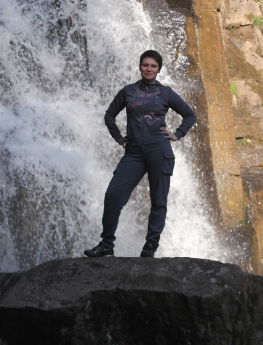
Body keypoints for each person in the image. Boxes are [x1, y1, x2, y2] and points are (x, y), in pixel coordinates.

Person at [84, 50, 196, 259]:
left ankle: (150, 247)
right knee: (113, 195)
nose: (148, 69)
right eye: (145, 65)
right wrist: (118, 137)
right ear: (140, 66)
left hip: (159, 150)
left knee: (158, 200)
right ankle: (106, 245)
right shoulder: (128, 91)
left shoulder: (165, 92)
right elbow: (109, 115)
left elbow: (189, 115)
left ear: (158, 69)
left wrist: (177, 134)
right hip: (134, 152)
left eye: (153, 66)